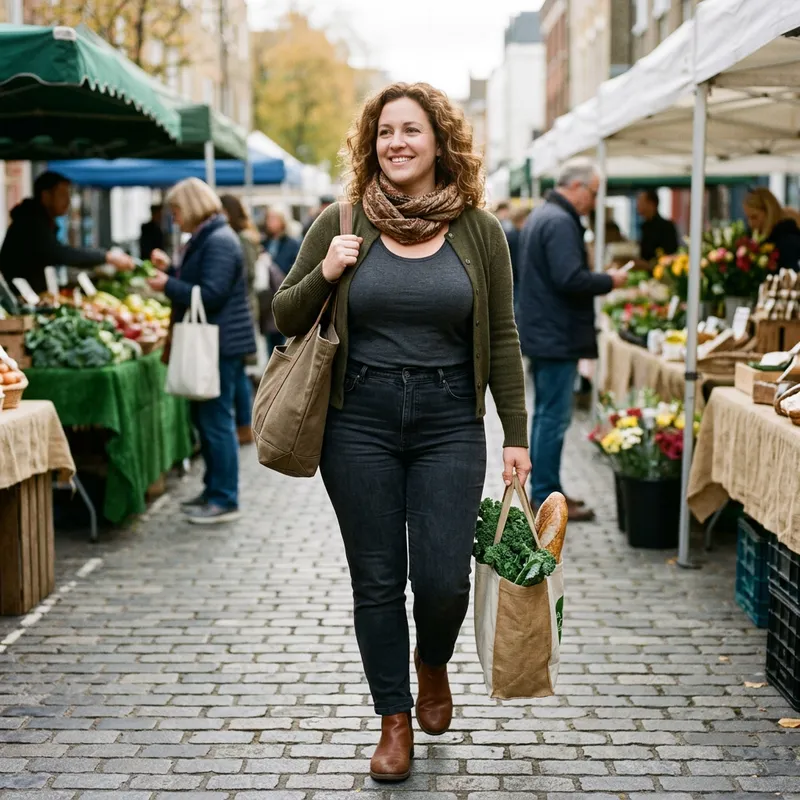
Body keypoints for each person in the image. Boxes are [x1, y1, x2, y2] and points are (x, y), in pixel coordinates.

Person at [272, 82, 530, 783]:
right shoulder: (342, 220)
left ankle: (433, 663)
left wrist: (516, 433)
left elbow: (502, 336)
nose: (397, 143)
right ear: (371, 143)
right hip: (360, 423)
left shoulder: (479, 231)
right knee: (378, 579)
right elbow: (284, 316)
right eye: (385, 132)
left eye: (411, 130)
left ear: (440, 142)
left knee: (442, 578)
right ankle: (394, 719)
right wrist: (326, 271)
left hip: (450, 420)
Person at [518, 158, 627, 522]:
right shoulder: (561, 221)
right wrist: (609, 280)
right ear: (577, 187)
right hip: (555, 334)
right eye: (594, 193)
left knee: (547, 415)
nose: (594, 201)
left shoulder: (543, 215)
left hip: (544, 332)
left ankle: (546, 493)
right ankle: (546, 496)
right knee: (553, 418)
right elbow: (570, 279)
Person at [147, 178, 256, 525]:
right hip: (217, 341)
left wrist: (168, 285)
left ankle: (225, 498)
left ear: (191, 207)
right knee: (206, 420)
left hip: (219, 343)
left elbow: (211, 294)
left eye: (176, 211)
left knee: (216, 422)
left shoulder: (219, 240)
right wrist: (171, 272)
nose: (174, 219)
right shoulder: (209, 236)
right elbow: (201, 282)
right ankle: (213, 490)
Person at [0, 171, 133, 294]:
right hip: (18, 299)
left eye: (68, 195)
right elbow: (60, 253)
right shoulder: (30, 223)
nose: (68, 201)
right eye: (62, 195)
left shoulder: (38, 220)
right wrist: (106, 257)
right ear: (46, 196)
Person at [220, 194, 262, 446]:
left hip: (242, 308)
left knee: (240, 372)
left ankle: (246, 425)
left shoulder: (242, 239)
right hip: (242, 307)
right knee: (240, 372)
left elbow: (248, 274)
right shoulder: (242, 237)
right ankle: (245, 424)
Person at [259, 206, 301, 357]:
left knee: (284, 338)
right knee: (271, 339)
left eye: (274, 218)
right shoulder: (264, 242)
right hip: (267, 296)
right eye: (269, 218)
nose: (270, 222)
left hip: (285, 292)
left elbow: (296, 268)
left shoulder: (292, 243)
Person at [744, 187, 800, 270]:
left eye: (754, 217)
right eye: (747, 218)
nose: (750, 223)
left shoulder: (788, 240)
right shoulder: (753, 239)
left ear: (769, 213)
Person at [637, 189, 679, 262]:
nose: (638, 205)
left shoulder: (666, 226)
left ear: (651, 204)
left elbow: (670, 251)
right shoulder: (644, 226)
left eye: (641, 202)